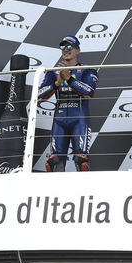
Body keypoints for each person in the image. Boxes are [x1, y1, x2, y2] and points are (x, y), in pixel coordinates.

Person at [38, 35, 99, 172]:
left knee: (81, 160)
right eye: (63, 47)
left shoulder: (87, 70)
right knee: (54, 162)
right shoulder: (53, 72)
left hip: (80, 120)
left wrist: (69, 79)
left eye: (70, 46)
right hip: (59, 121)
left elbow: (89, 92)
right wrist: (57, 83)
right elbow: (40, 95)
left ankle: (84, 192)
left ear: (78, 50)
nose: (66, 49)